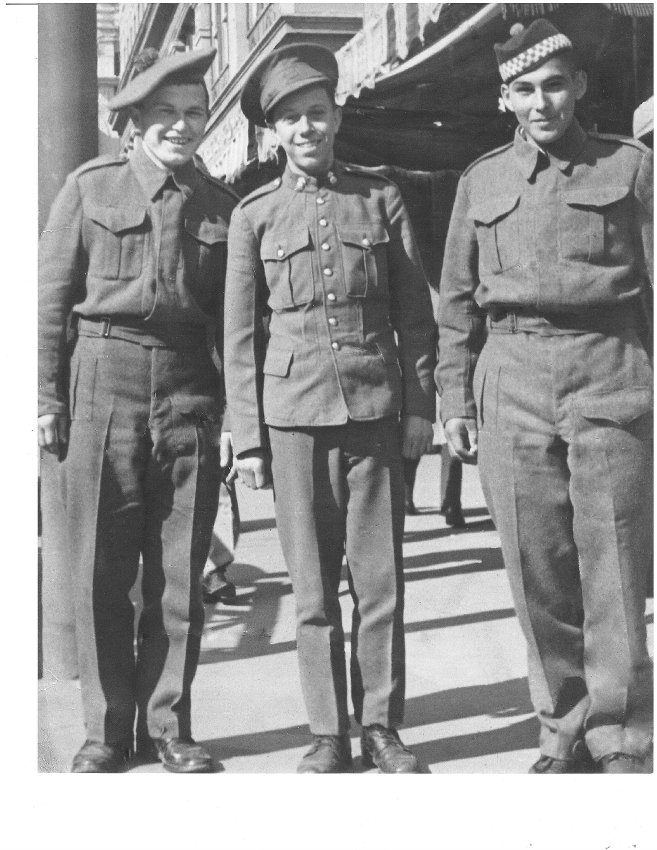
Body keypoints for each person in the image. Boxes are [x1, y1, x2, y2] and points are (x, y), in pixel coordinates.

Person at [437, 19, 653, 774]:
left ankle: (621, 734)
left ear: (579, 87)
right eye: (524, 89)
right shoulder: (480, 181)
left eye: (554, 84)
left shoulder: (629, 170)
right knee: (537, 571)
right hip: (511, 378)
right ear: (505, 98)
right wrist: (453, 403)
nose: (541, 102)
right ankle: (562, 729)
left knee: (617, 566)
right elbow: (457, 304)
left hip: (608, 370)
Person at [224, 44, 436, 773]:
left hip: (374, 412)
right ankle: (326, 732)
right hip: (290, 421)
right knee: (311, 588)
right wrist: (248, 441)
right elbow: (240, 337)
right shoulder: (253, 214)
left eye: (316, 113)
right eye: (290, 119)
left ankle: (380, 726)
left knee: (378, 581)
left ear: (336, 115)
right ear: (273, 132)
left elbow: (415, 314)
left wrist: (418, 410)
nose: (306, 129)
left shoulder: (379, 197)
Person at [38, 47, 239, 773]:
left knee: (179, 572)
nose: (181, 127)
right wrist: (44, 398)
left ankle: (169, 728)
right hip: (103, 377)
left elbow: (228, 323)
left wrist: (230, 421)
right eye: (165, 115)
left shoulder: (220, 206)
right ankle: (104, 730)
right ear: (134, 121)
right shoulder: (91, 189)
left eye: (192, 113)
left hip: (188, 388)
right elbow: (50, 300)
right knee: (100, 566)